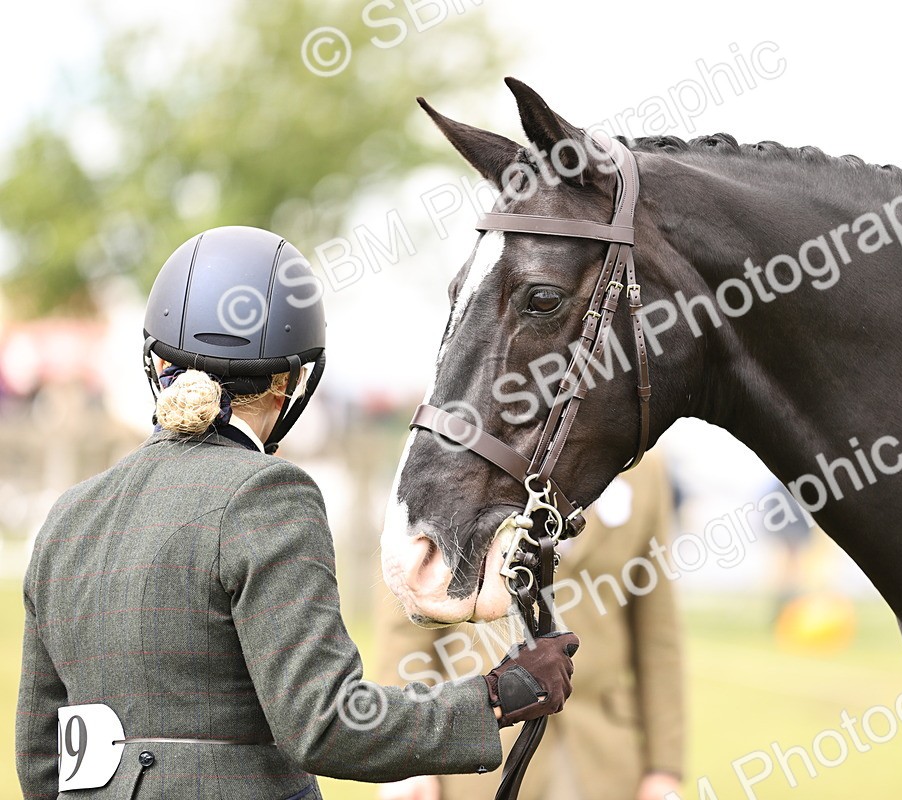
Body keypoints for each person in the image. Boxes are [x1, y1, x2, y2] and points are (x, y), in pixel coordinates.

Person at [15, 226, 578, 800]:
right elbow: (327, 723)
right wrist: (498, 694)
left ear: (156, 361)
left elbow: (40, 759)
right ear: (289, 381)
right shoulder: (268, 495)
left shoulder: (69, 516)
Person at [374, 452, 685, 800]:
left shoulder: (647, 468)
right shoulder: (472, 449)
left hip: (604, 757)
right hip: (481, 749)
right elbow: (408, 626)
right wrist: (405, 756)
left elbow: (657, 634)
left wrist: (664, 768)